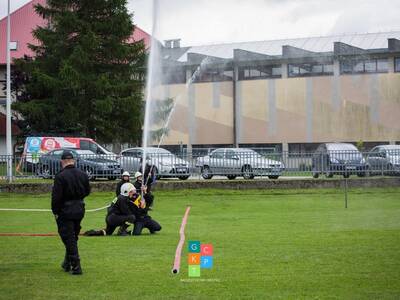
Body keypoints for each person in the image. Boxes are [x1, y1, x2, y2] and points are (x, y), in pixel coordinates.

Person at [52, 150, 90, 275]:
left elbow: (56, 197)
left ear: (62, 161)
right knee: (73, 237)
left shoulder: (60, 176)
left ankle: (76, 265)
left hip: (65, 210)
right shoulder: (83, 174)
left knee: (69, 238)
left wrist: (56, 211)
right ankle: (67, 262)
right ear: (73, 161)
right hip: (79, 208)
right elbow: (87, 191)